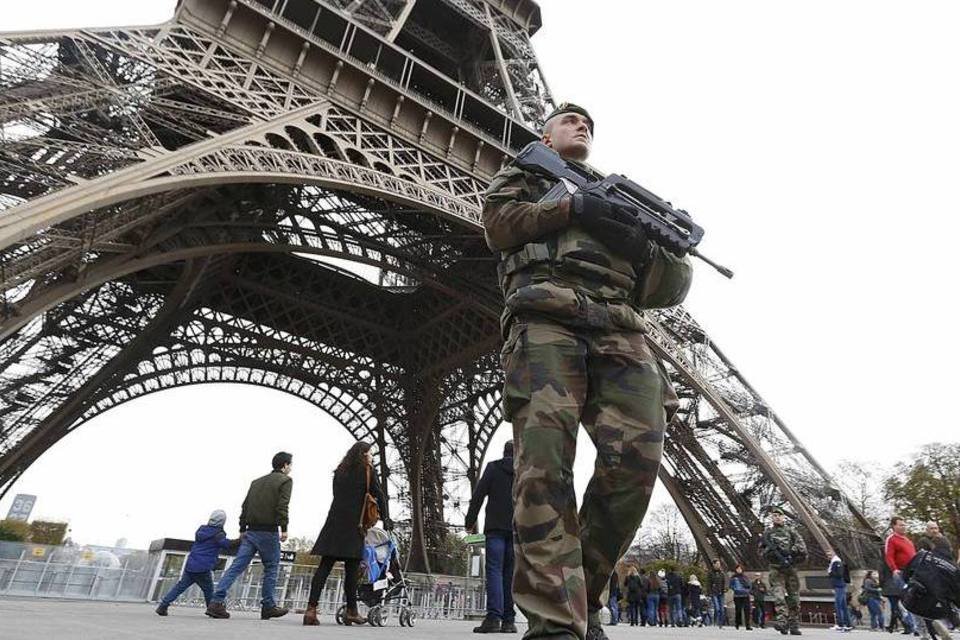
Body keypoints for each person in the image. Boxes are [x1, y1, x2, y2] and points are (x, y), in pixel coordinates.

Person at [482, 102, 693, 640]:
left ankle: (585, 596)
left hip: (621, 330)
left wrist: (658, 246)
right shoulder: (529, 173)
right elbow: (499, 227)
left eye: (590, 125)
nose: (583, 126)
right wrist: (572, 207)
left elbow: (664, 292)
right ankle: (555, 623)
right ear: (545, 135)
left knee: (636, 468)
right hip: (546, 317)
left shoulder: (622, 203)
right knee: (545, 468)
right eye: (570, 120)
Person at [302, 442, 390, 626]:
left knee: (324, 567)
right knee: (352, 570)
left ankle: (311, 609)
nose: (372, 456)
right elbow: (379, 495)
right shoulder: (367, 471)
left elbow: (336, 495)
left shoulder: (339, 471)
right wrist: (386, 518)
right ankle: (352, 611)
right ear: (364, 454)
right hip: (354, 525)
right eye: (370, 453)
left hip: (334, 523)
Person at [206, 452, 293, 620]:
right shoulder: (285, 481)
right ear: (284, 465)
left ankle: (216, 602)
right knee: (271, 568)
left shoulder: (256, 482)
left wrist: (242, 527)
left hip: (251, 530)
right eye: (290, 465)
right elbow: (283, 506)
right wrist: (284, 528)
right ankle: (268, 606)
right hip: (268, 531)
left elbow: (245, 506)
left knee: (236, 567)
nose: (291, 468)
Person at [465, 440, 517, 634]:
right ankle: (509, 621)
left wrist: (469, 521)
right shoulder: (525, 471)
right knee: (510, 574)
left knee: (494, 571)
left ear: (504, 452)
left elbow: (478, 496)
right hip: (516, 529)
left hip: (495, 528)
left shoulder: (493, 468)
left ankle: (494, 617)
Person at [156, 509, 235, 616]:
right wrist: (240, 540)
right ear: (222, 522)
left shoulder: (201, 530)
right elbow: (227, 545)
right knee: (209, 589)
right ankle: (212, 609)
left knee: (179, 587)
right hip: (203, 567)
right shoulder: (218, 534)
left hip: (191, 565)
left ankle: (163, 605)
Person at [760, 507, 807, 635]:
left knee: (794, 598)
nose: (777, 517)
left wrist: (791, 552)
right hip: (776, 568)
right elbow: (761, 551)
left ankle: (793, 624)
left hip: (790, 568)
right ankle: (782, 622)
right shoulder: (767, 534)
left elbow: (802, 547)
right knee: (779, 596)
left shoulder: (792, 532)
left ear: (783, 517)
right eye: (774, 515)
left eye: (779, 515)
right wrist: (769, 552)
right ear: (772, 518)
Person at [828, 553, 853, 631]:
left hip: (839, 586)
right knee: (843, 606)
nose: (828, 556)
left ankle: (841, 624)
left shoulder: (836, 562)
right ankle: (848, 624)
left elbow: (839, 574)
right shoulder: (837, 562)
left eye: (829, 555)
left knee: (838, 606)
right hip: (840, 585)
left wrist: (831, 572)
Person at [731, 564, 753, 630]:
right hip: (737, 596)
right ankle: (737, 624)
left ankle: (747, 625)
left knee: (747, 610)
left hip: (745, 595)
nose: (739, 570)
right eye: (737, 569)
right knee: (738, 610)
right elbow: (731, 585)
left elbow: (749, 585)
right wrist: (735, 589)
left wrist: (747, 591)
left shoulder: (745, 577)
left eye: (740, 569)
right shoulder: (733, 578)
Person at [708, 559, 727, 628]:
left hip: (721, 593)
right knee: (717, 608)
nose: (719, 565)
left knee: (722, 609)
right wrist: (709, 592)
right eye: (717, 564)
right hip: (714, 593)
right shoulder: (710, 573)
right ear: (714, 564)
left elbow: (724, 582)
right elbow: (709, 584)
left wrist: (725, 589)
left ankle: (720, 623)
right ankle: (715, 621)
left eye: (719, 564)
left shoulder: (722, 573)